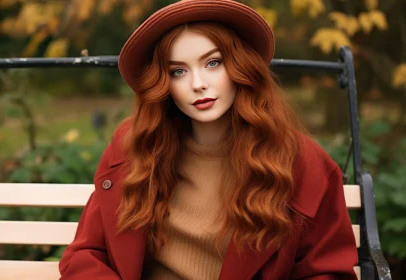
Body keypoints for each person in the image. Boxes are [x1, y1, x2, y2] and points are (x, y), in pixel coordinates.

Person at [58, 0, 358, 279]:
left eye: (212, 63)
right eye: (177, 71)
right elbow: (85, 255)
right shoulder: (134, 146)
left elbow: (327, 272)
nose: (198, 84)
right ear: (163, 83)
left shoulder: (303, 162)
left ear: (241, 67)